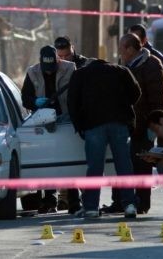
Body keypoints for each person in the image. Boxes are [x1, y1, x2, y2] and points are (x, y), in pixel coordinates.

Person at [67, 58, 141, 218]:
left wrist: (79, 125)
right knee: (124, 165)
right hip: (120, 123)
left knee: (95, 167)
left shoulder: (80, 74)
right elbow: (136, 93)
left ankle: (92, 207)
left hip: (93, 124)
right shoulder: (121, 71)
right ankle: (129, 204)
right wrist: (123, 107)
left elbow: (72, 102)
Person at [102, 33, 163, 215]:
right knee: (121, 164)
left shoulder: (151, 64)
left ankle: (142, 203)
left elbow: (158, 98)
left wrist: (155, 126)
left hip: (144, 125)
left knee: (142, 165)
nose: (119, 52)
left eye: (122, 48)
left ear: (130, 49)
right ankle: (119, 202)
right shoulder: (124, 65)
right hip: (125, 124)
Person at [21, 45, 76, 214]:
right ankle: (49, 199)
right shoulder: (33, 72)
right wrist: (35, 101)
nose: (50, 72)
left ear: (58, 60)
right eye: (47, 69)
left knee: (70, 161)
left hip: (66, 120)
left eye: (53, 67)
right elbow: (25, 98)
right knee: (48, 161)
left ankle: (74, 200)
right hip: (44, 121)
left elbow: (77, 92)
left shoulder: (70, 68)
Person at [53, 36, 91, 213]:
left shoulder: (83, 64)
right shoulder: (54, 66)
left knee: (82, 163)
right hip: (61, 117)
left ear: (73, 49)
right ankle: (70, 201)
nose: (65, 59)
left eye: (67, 55)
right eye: (61, 56)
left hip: (80, 118)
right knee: (67, 164)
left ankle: (87, 199)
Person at [128, 24, 163, 95]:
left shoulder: (156, 57)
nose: (131, 42)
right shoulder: (125, 56)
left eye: (135, 39)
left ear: (144, 40)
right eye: (129, 38)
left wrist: (153, 98)